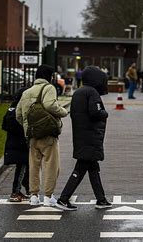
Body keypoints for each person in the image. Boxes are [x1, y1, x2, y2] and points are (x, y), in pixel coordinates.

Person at [56, 66, 112, 211]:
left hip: (81, 135)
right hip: (90, 137)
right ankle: (63, 199)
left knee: (93, 168)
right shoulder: (92, 93)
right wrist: (104, 113)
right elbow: (96, 112)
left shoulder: (79, 92)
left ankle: (101, 199)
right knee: (81, 169)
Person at [16, 65, 69, 206]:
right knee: (51, 165)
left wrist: (28, 126)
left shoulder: (27, 92)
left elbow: (18, 115)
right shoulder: (49, 88)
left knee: (34, 166)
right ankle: (48, 197)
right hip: (47, 134)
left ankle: (33, 196)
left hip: (32, 135)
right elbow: (50, 105)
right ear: (49, 76)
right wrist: (63, 112)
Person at [3, 87, 30, 202]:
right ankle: (15, 192)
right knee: (21, 167)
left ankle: (20, 190)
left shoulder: (11, 108)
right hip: (19, 144)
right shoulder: (19, 109)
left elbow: (4, 125)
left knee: (23, 167)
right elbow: (21, 125)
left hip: (13, 142)